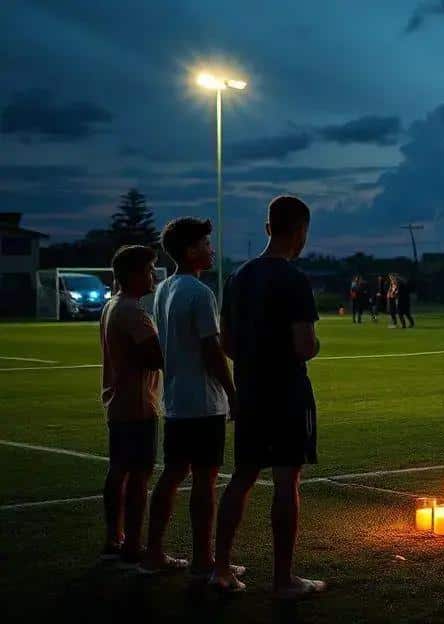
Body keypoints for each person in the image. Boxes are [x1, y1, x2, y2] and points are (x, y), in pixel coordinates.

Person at [210, 196, 326, 599]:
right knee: (285, 480)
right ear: (300, 230)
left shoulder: (237, 277)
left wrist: (253, 358)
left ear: (267, 228)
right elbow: (303, 345)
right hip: (287, 392)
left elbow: (226, 341)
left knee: (242, 477)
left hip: (251, 390)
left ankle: (220, 567)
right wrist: (313, 346)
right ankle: (282, 579)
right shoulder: (294, 280)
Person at [139, 218, 242, 577]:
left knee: (171, 474)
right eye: (204, 243)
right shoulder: (200, 293)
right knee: (204, 480)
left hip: (177, 401)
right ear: (189, 249)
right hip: (202, 402)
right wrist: (233, 394)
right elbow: (212, 350)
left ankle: (154, 553)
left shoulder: (165, 289)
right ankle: (203, 560)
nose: (211, 249)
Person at [98, 244, 163, 568]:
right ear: (135, 274)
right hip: (137, 405)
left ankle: (115, 536)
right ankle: (133, 543)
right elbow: (156, 356)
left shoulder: (113, 306)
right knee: (139, 475)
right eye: (150, 269)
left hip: (118, 401)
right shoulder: (134, 312)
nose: (153, 275)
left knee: (119, 470)